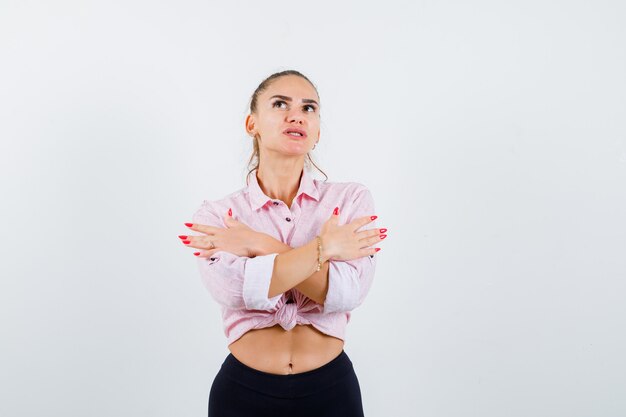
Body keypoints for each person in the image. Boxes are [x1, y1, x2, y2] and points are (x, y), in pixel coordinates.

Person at [178, 70, 387, 417]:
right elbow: (236, 290)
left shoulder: (350, 199)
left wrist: (257, 243)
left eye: (309, 108)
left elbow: (347, 293)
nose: (297, 115)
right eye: (280, 104)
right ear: (252, 124)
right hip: (243, 394)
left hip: (331, 392)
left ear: (317, 132)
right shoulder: (219, 215)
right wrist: (325, 249)